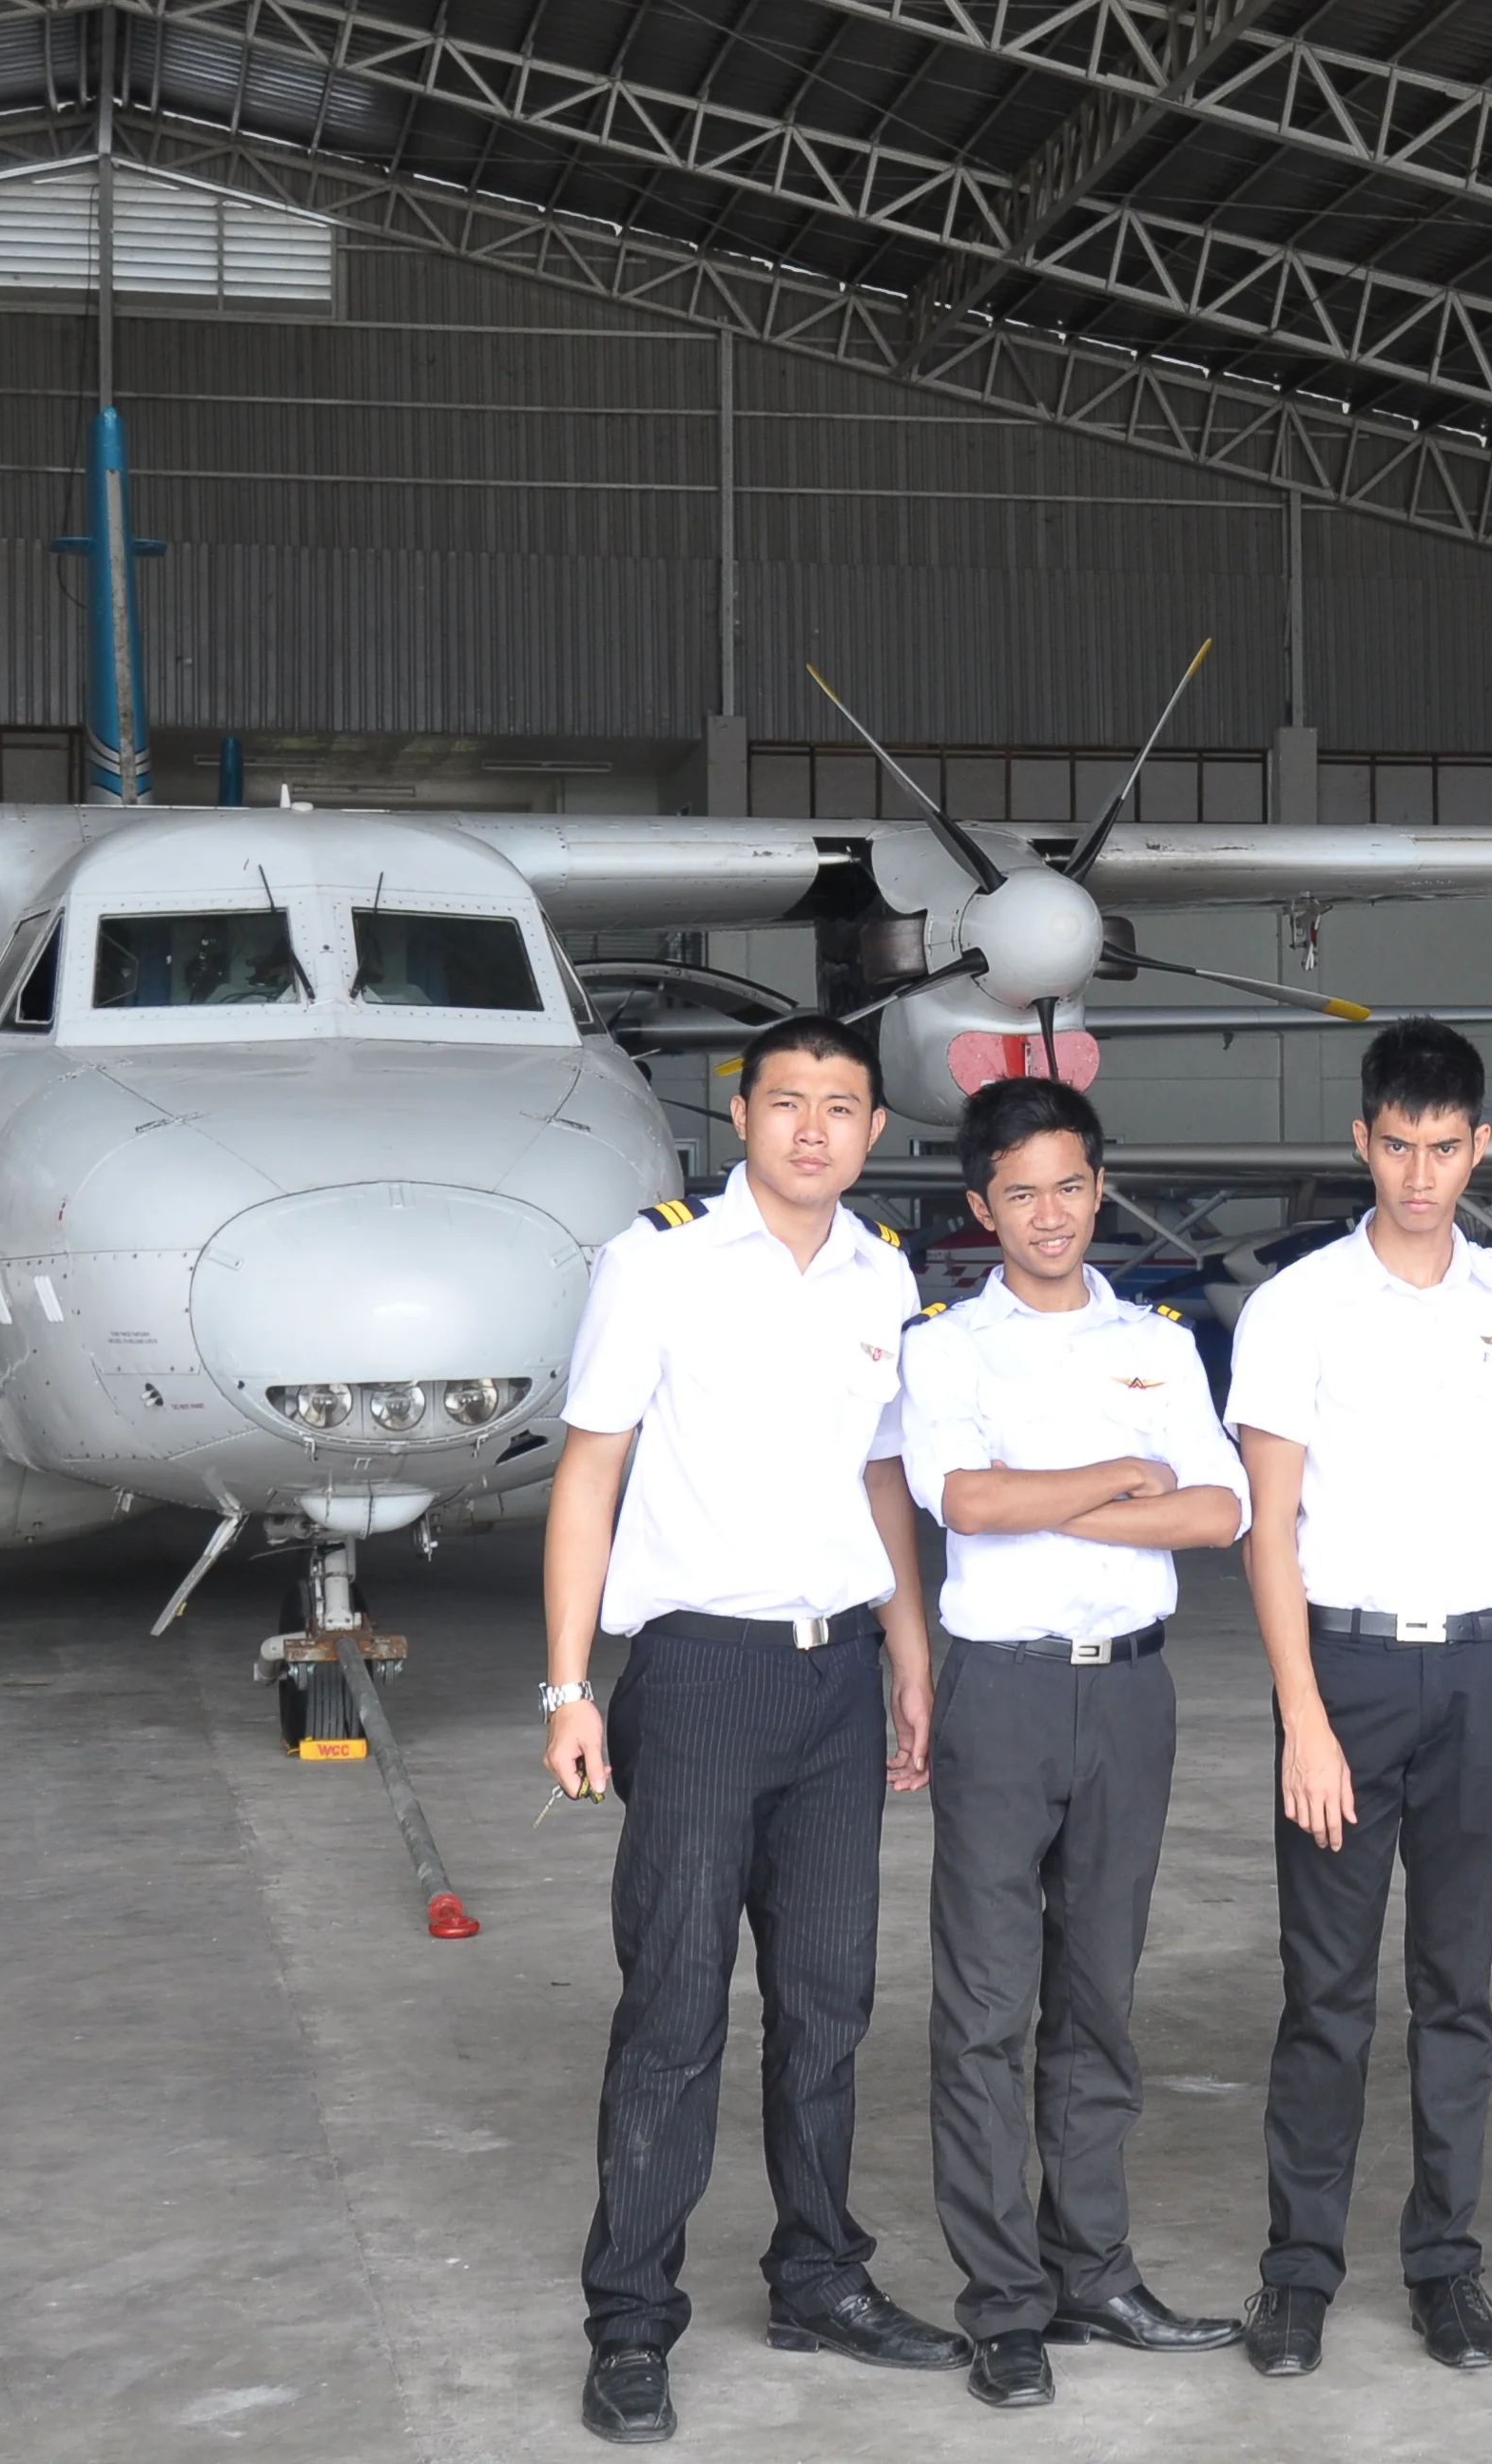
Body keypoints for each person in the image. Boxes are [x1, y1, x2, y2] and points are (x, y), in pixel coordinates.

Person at [538, 1015, 952, 2447]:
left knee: (829, 2002)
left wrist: (910, 1649)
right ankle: (632, 2322)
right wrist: (568, 1685)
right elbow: (589, 1475)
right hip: (700, 1674)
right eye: (790, 1103)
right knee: (675, 2006)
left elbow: (883, 1477)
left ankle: (820, 2277)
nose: (817, 1129)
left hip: (837, 1680)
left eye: (843, 1107)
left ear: (874, 1132)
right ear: (743, 1116)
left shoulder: (879, 1274)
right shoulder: (655, 1262)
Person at [899, 1076, 1250, 2408]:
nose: (1050, 1214)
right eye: (1020, 1193)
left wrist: (1057, 1502)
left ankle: (1092, 2269)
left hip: (1133, 1700)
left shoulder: (1155, 1337)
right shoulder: (947, 1345)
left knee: (1097, 1998)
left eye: (1071, 1185)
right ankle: (1004, 2306)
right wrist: (1116, 1477)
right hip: (1006, 1697)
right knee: (988, 2007)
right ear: (984, 1206)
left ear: (1100, 1187)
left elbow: (1218, 1513)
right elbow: (970, 1503)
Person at [1223, 1019, 1492, 2378]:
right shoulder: (1301, 1305)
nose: (1421, 1174)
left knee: (1458, 1990)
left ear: (1479, 1148)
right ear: (1362, 1141)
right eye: (1398, 1145)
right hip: (1348, 1675)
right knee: (1326, 1996)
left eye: (1445, 1147)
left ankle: (1445, 2267)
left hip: (1482, 1670)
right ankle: (1297, 2275)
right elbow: (1268, 1524)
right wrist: (1302, 1716)